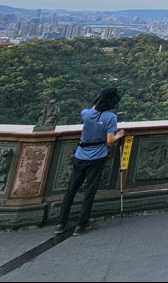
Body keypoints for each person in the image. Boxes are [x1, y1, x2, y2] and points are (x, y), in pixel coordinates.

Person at [54, 86, 125, 236]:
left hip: (80, 155)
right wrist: (120, 134)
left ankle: (61, 223)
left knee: (71, 189)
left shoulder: (85, 113)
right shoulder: (110, 117)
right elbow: (109, 139)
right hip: (97, 157)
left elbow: (87, 121)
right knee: (90, 191)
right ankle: (81, 225)